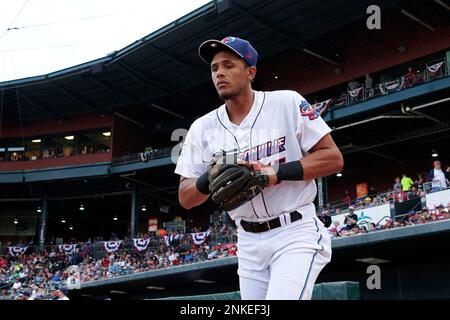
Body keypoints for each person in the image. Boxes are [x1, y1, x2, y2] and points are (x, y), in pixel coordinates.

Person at [175, 36, 343, 300]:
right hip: (248, 241)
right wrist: (209, 177)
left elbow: (333, 158)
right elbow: (185, 197)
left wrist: (274, 174)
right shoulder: (201, 128)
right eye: (214, 68)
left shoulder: (286, 102)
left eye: (229, 65)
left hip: (294, 231)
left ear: (251, 72)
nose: (220, 72)